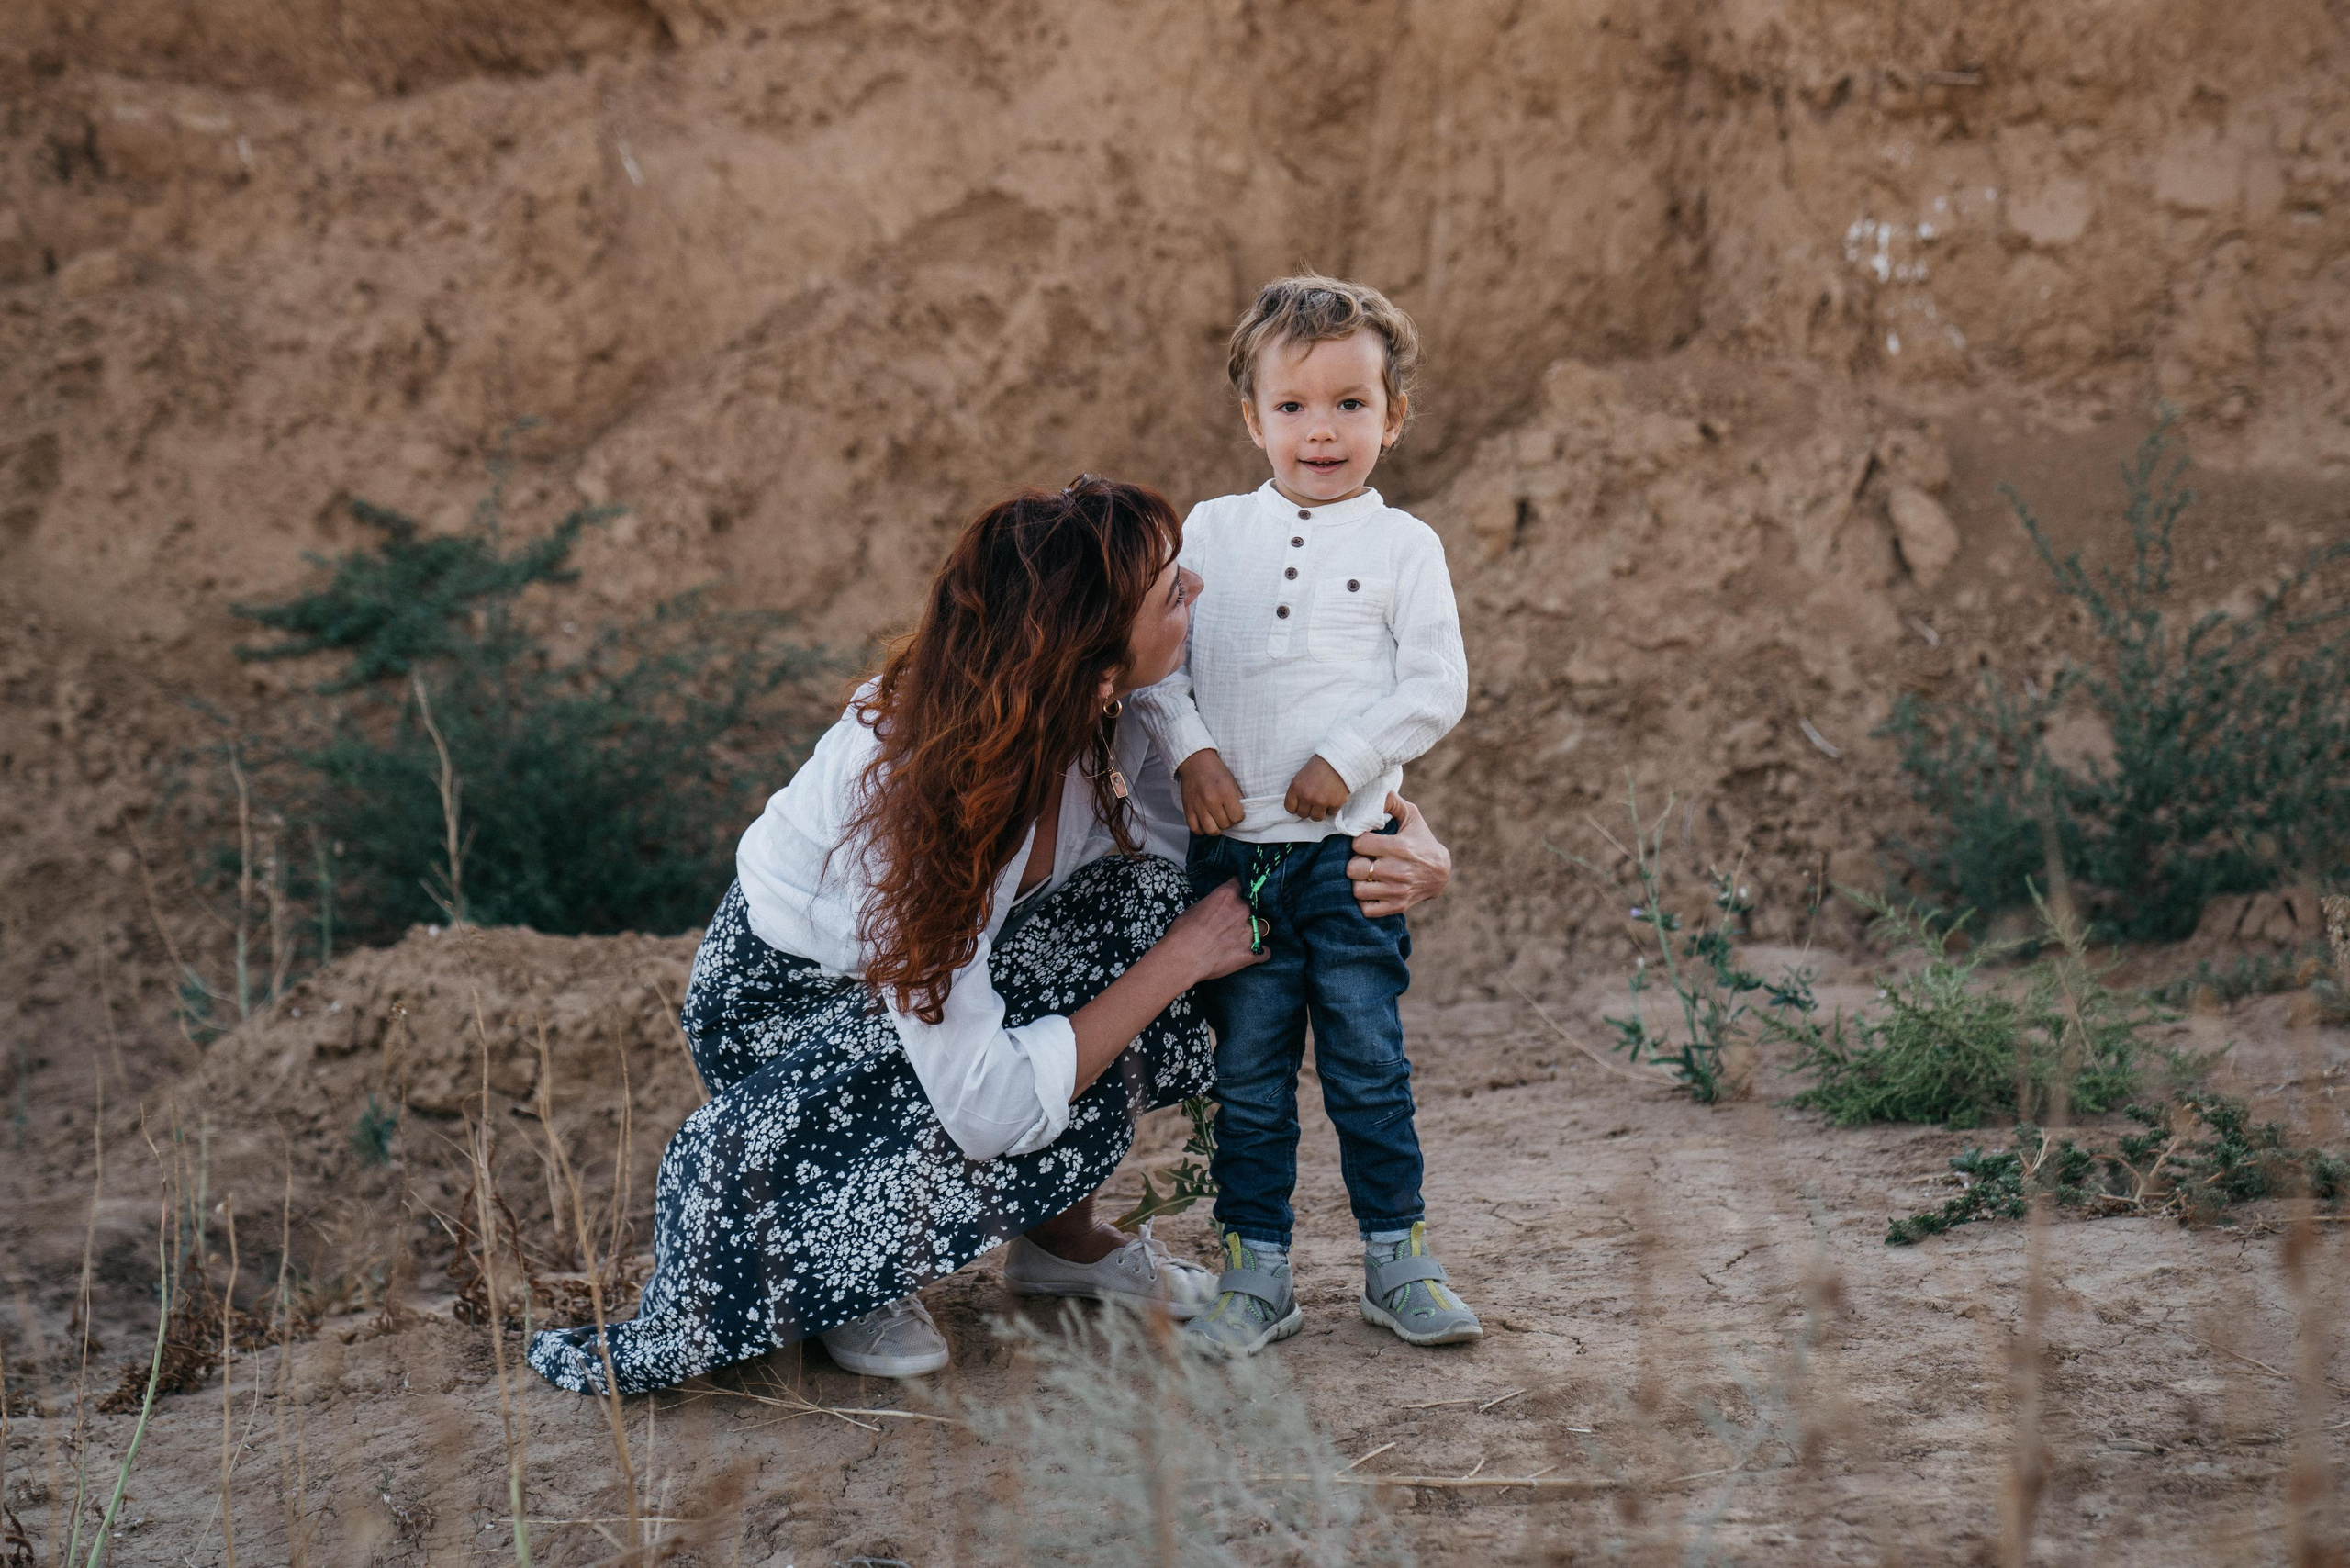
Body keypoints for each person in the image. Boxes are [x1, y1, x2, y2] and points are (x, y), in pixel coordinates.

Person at [527, 476, 1455, 1394]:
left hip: (943, 971)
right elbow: (982, 1101)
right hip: (795, 1004)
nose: (1199, 593)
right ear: (1093, 665)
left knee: (1169, 908)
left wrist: (1412, 847)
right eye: (1174, 591)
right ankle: (852, 1261)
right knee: (1167, 950)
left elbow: (1250, 824)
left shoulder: (1118, 705)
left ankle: (1059, 1243)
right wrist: (1181, 962)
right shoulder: (908, 796)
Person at [1130, 275, 1479, 1356]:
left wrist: (1351, 753)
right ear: (1252, 418)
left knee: (1369, 1065)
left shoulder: (1404, 547)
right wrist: (1189, 751)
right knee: (1250, 1078)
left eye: (1349, 404)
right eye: (1293, 406)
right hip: (1232, 867)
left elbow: (1436, 683)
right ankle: (1257, 1274)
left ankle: (1398, 1259)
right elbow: (1155, 666)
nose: (1319, 430)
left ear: (1394, 416)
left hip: (1349, 862)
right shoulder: (1212, 531)